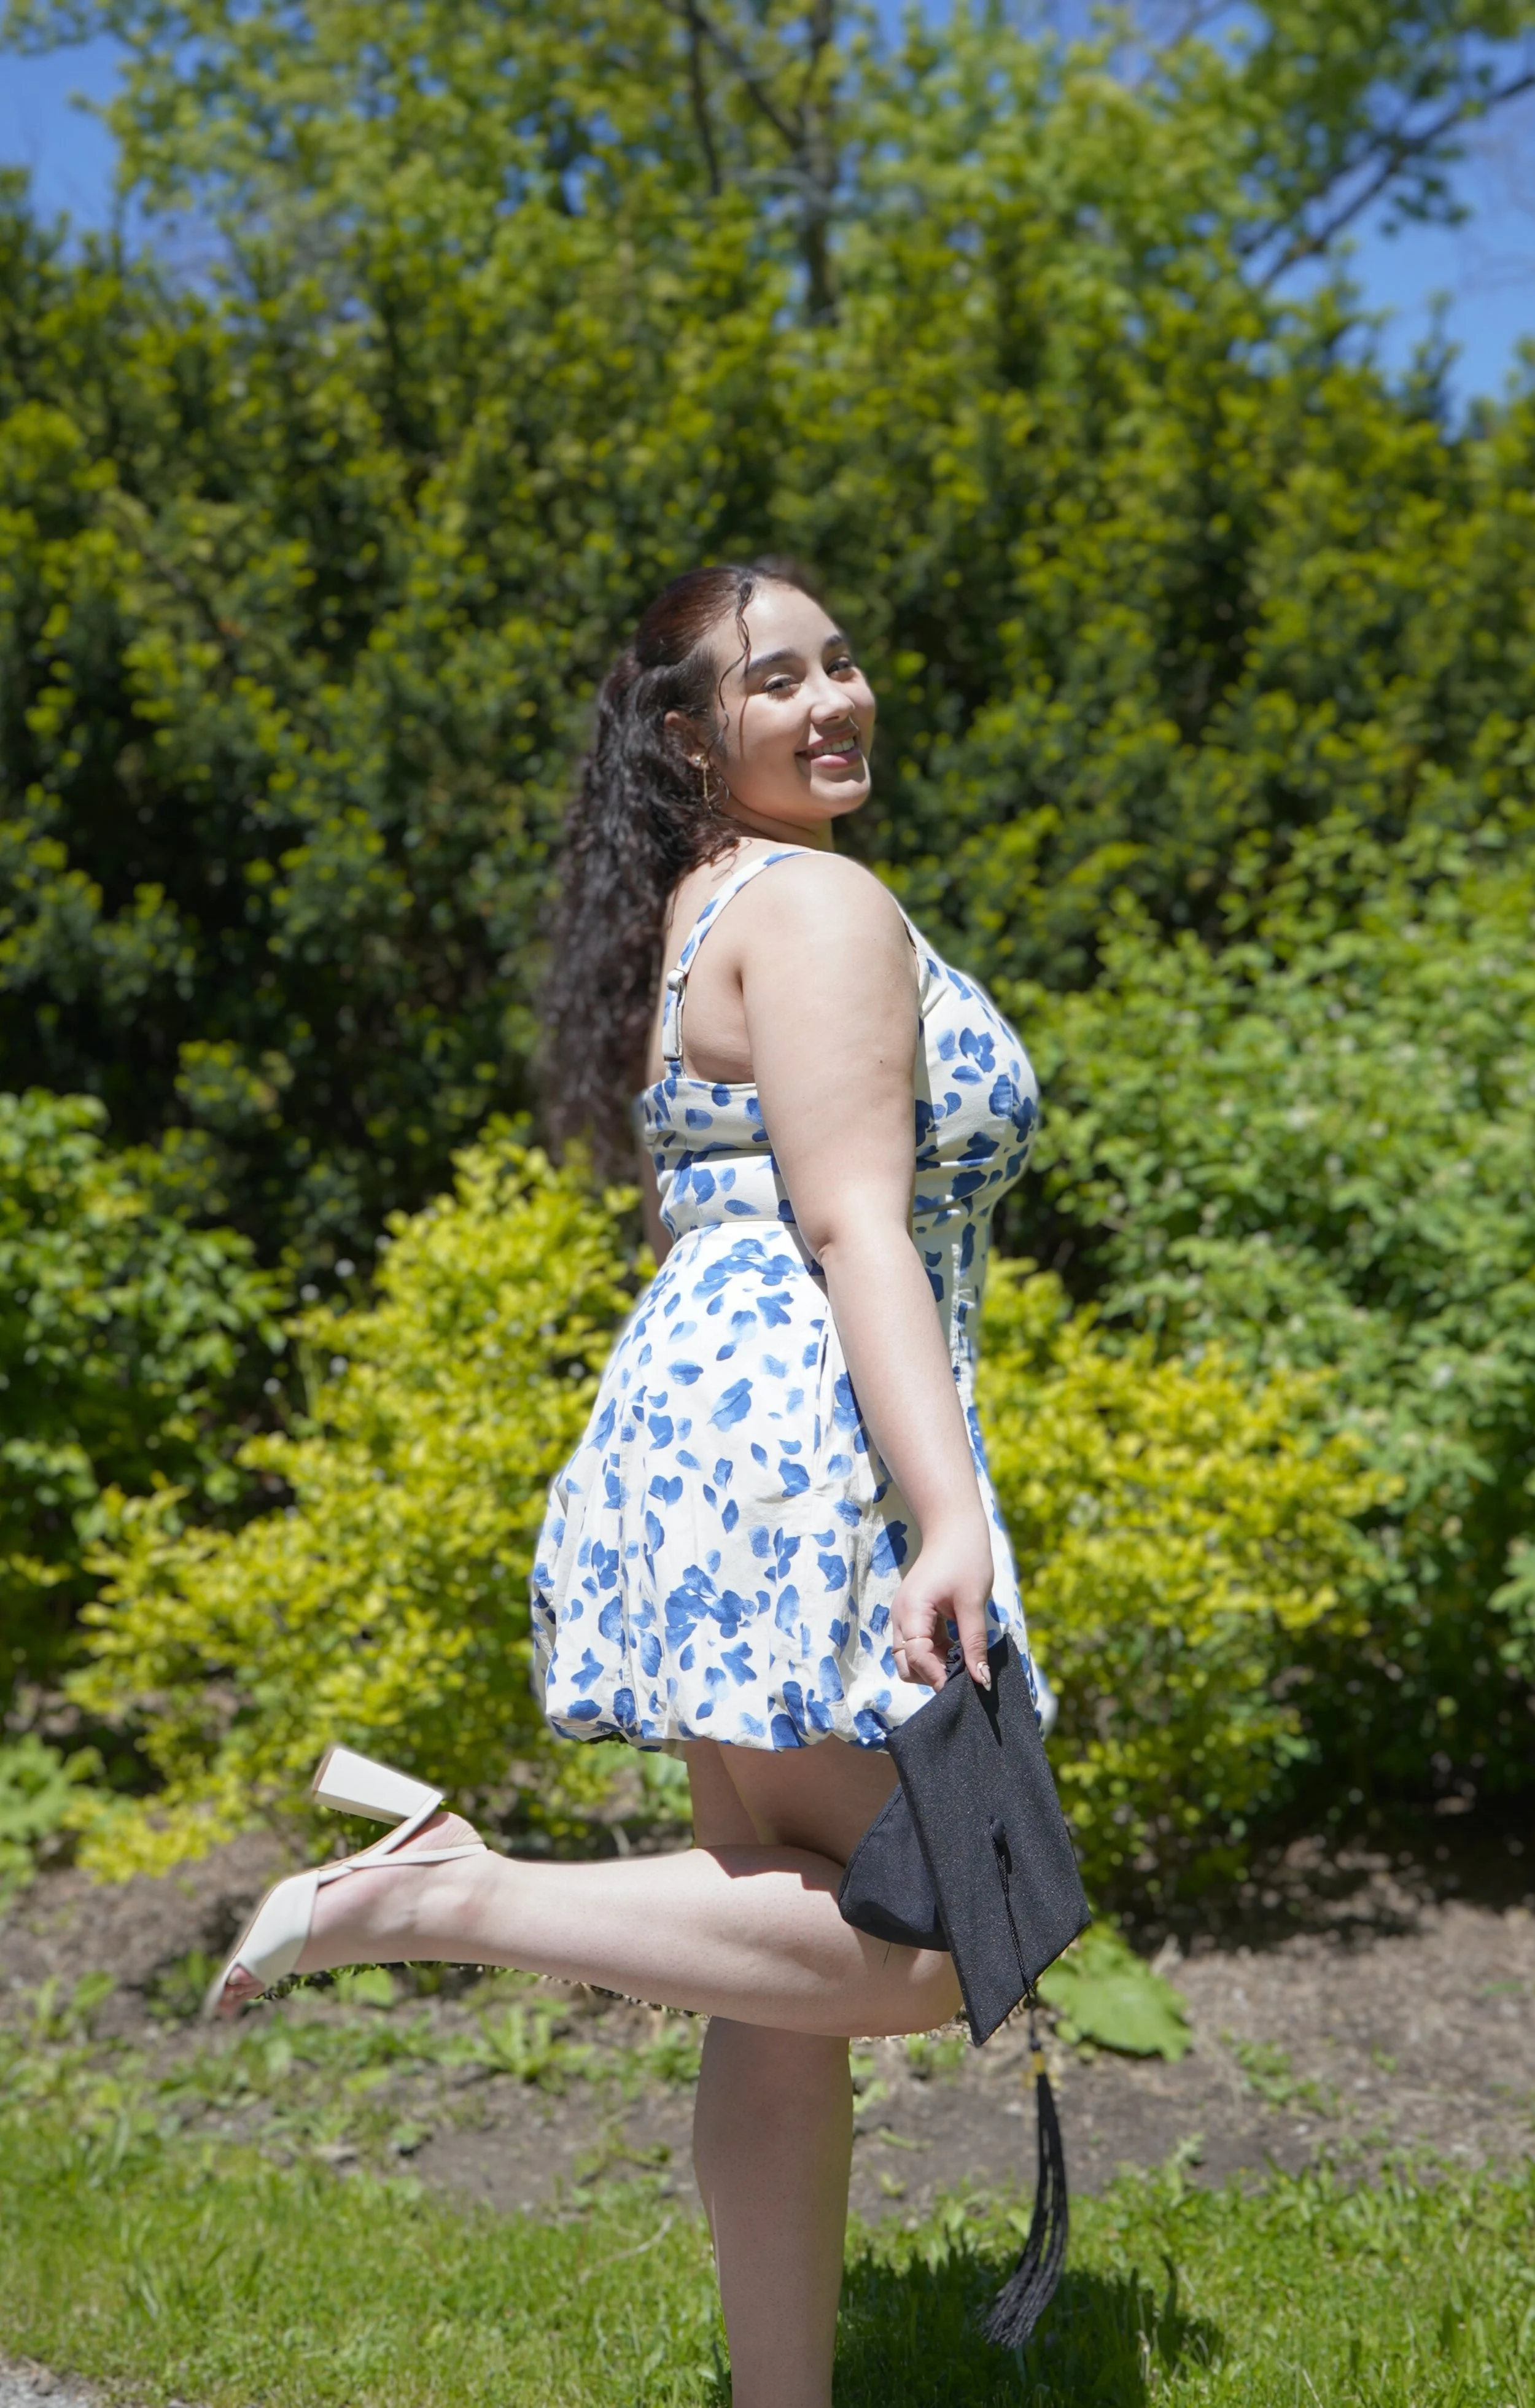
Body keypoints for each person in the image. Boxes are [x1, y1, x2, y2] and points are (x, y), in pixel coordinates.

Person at [208, 560, 1049, 2408]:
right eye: (774, 682)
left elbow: (723, 1214)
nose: (831, 700)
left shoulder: (697, 909)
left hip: (707, 1441)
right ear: (689, 738)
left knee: (774, 1957)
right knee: (927, 1946)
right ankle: (442, 1892)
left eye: (840, 663)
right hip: (809, 1444)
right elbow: (850, 1220)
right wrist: (947, 1509)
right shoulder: (817, 903)